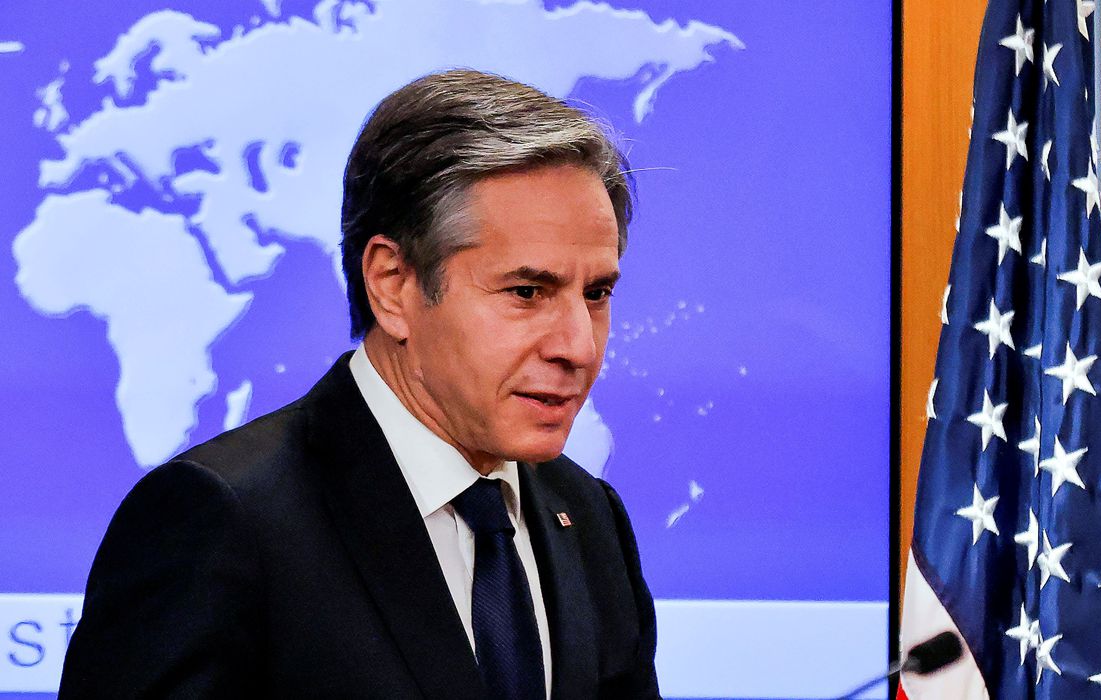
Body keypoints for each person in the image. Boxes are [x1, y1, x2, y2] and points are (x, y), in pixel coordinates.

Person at [58, 69, 660, 699]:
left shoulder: (589, 516)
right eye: (527, 292)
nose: (578, 346)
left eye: (596, 293)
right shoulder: (222, 521)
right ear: (392, 285)